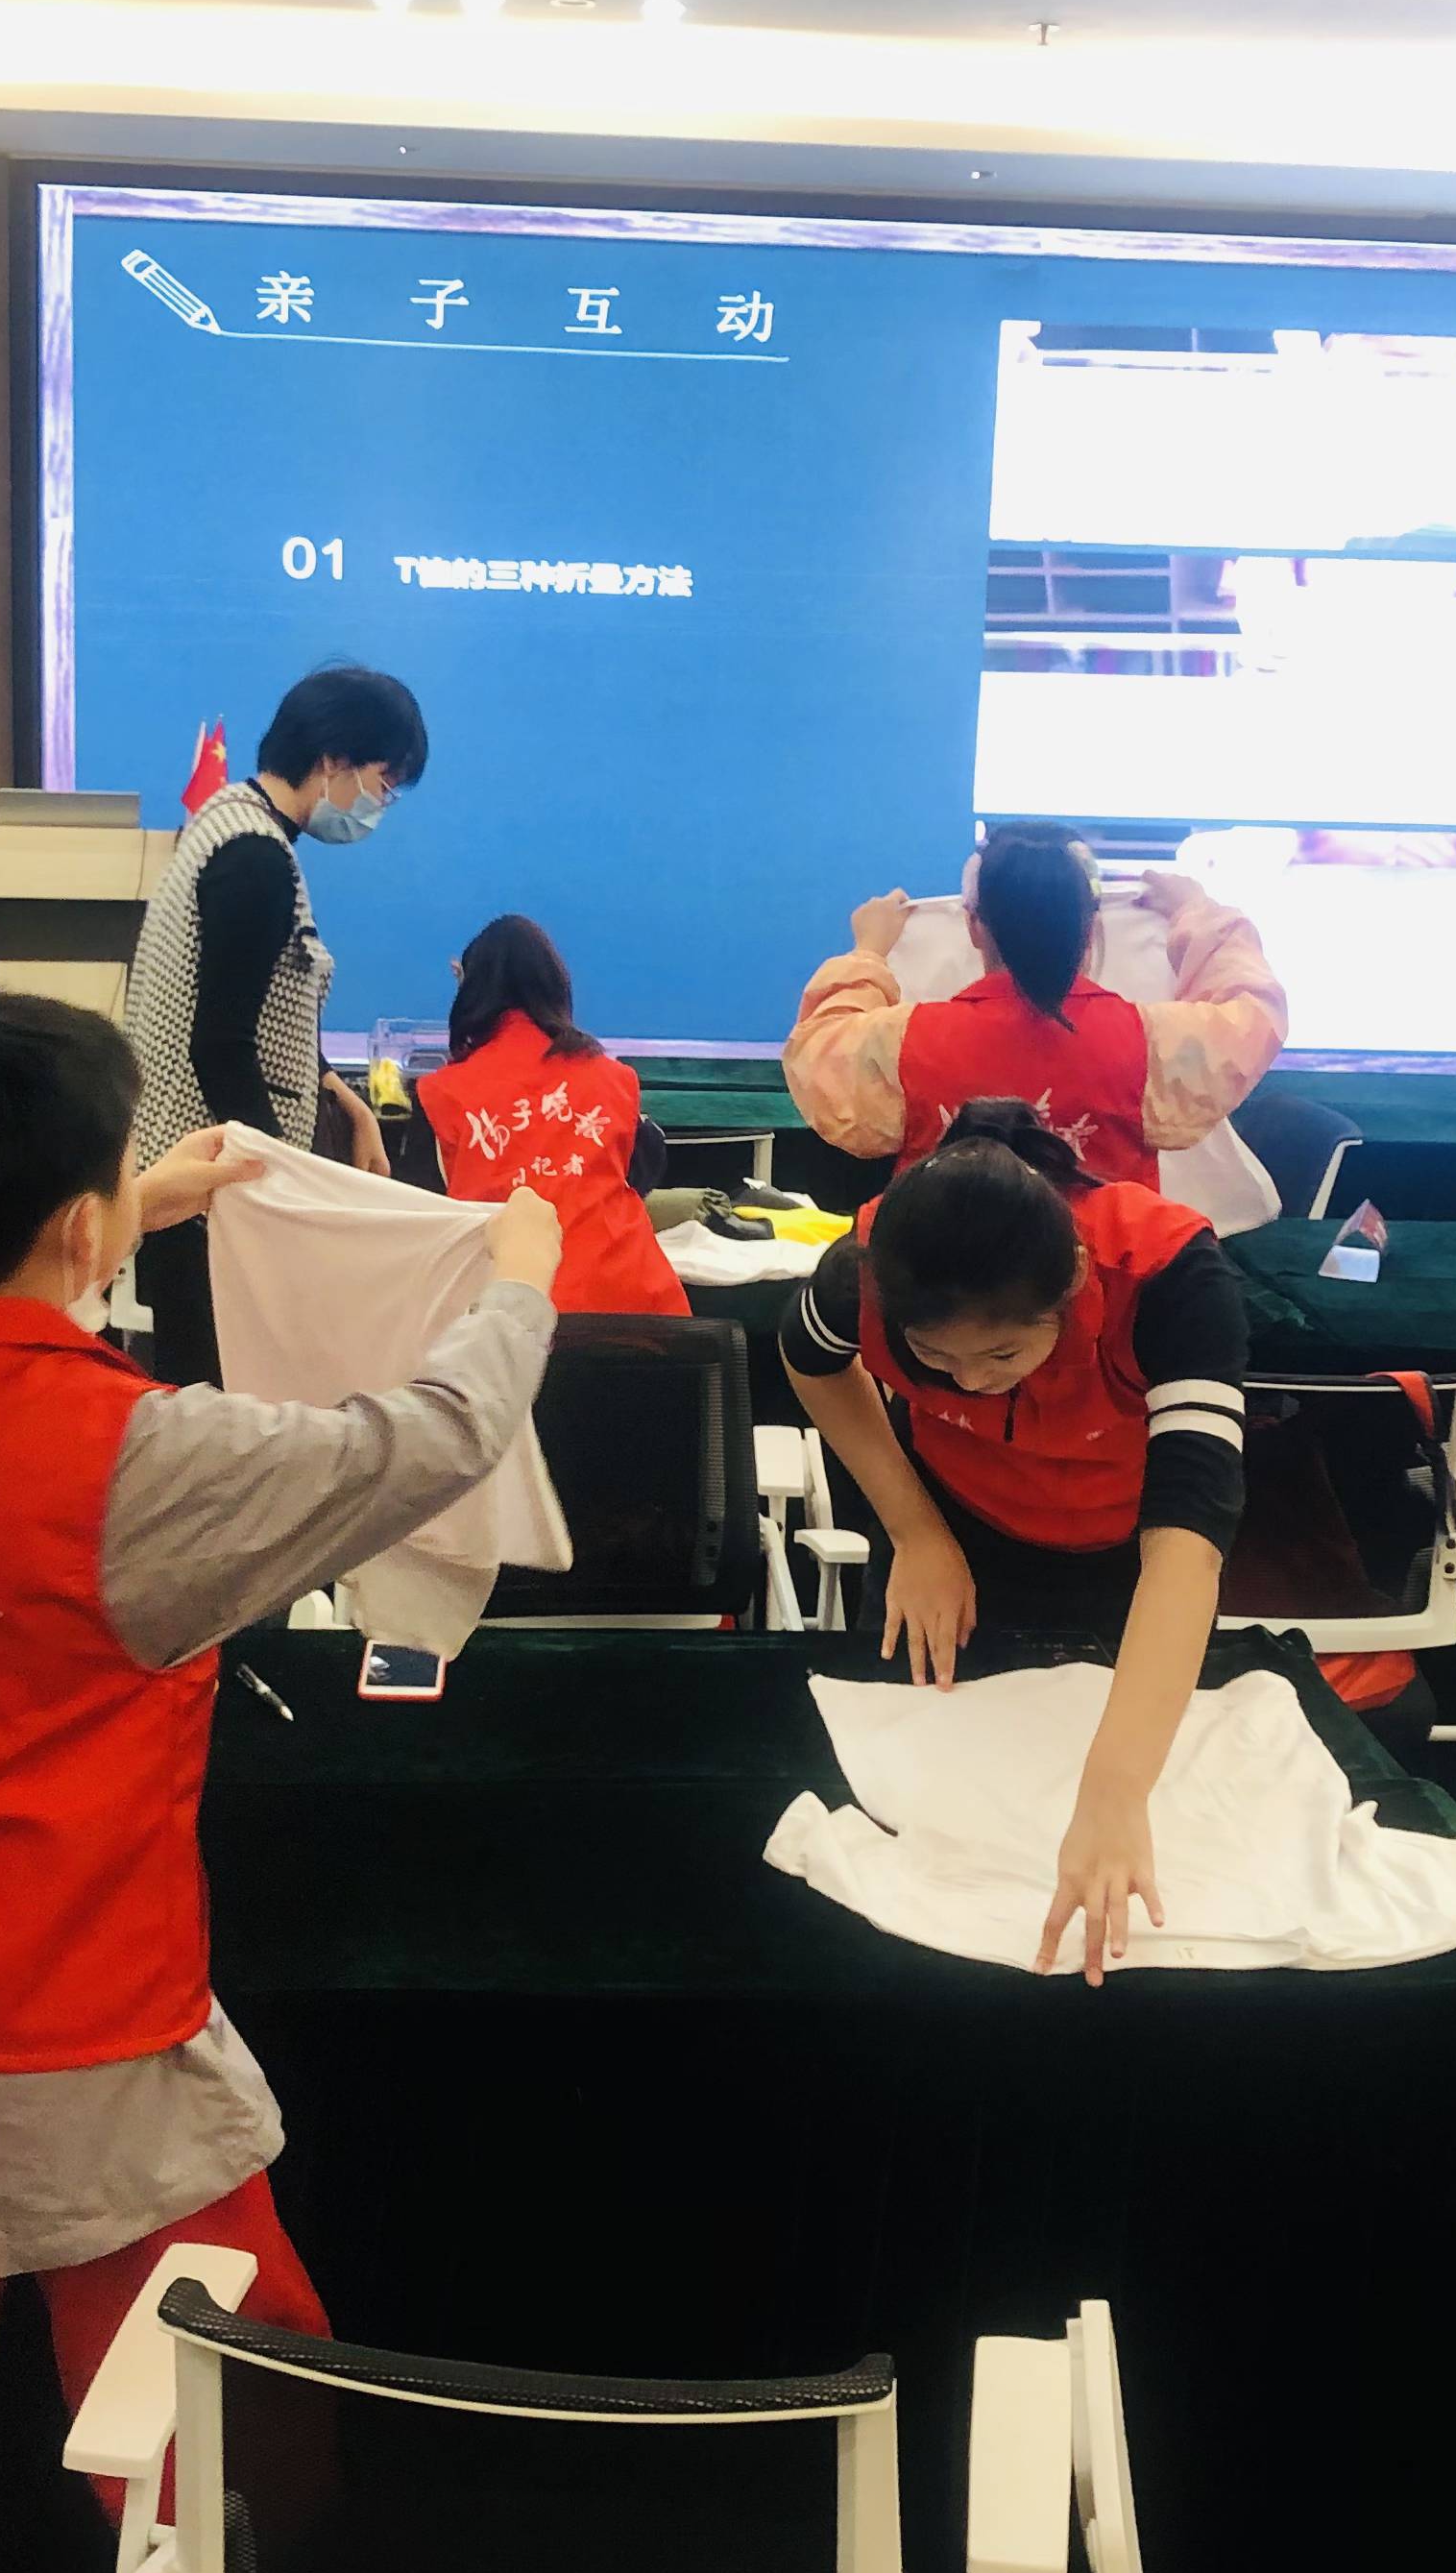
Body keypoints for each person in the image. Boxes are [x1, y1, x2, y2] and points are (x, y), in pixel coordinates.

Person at [0, 990, 561, 2573]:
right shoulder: (141, 1459)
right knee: (237, 2415)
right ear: (74, 1220)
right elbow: (427, 1438)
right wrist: (521, 1279)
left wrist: (133, 1204)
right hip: (68, 2049)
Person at [779, 1100, 1245, 1984]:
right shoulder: (871, 1265)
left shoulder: (1169, 1277)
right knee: (924, 1800)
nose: (969, 1382)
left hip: (1130, 1558)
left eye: (1000, 1355)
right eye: (935, 1358)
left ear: (1074, 1280)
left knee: (1155, 1803)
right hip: (958, 1534)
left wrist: (1114, 1796)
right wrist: (916, 1533)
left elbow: (1188, 1543)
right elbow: (808, 1358)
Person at [123, 664, 431, 1383]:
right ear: (333, 760)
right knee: (223, 1403)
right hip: (209, 1196)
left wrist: (343, 1097)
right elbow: (222, 1045)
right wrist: (280, 1186)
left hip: (198, 1182)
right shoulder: (255, 858)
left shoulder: (228, 824)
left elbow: (259, 1013)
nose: (380, 804)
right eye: (383, 782)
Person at [783, 822, 1285, 1186]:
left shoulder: (906, 1042)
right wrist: (1200, 916)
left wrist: (867, 952)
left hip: (941, 1285)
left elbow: (821, 1048)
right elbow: (1249, 1010)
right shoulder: (1146, 1041)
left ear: (974, 925)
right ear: (1090, 925)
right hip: (1112, 1288)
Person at [417, 916, 686, 1317]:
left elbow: (428, 1225)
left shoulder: (441, 1094)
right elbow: (640, 1174)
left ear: (471, 992)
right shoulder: (613, 1078)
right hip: (639, 1316)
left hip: (506, 1318)